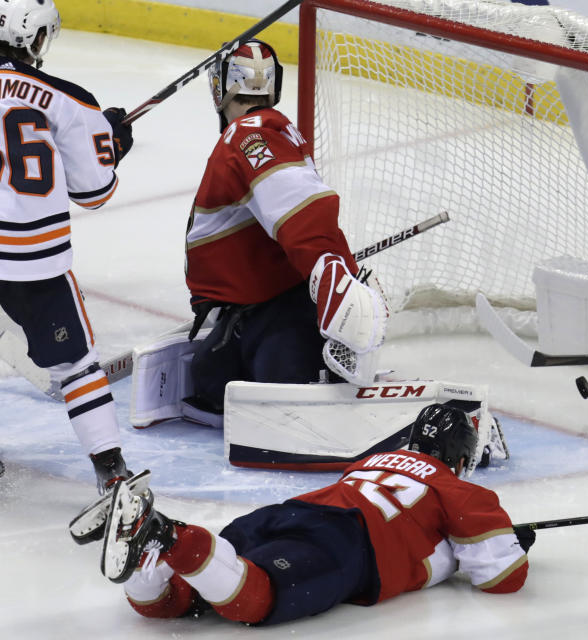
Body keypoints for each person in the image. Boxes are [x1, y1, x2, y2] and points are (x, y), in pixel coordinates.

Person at [76, 403, 530, 625]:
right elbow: (501, 578)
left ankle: (147, 555)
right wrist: (512, 542)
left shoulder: (373, 462)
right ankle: (168, 536)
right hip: (348, 541)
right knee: (255, 600)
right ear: (460, 457)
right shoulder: (458, 488)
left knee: (180, 601)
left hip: (289, 513)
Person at [182, 38, 386, 420]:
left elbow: (299, 210)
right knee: (210, 379)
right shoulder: (269, 129)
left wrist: (330, 271)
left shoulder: (249, 135)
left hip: (281, 311)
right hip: (259, 307)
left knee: (255, 384)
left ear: (223, 85)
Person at [0, 0, 138, 492]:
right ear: (33, 38)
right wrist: (114, 143)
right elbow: (94, 192)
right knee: (75, 366)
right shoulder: (67, 99)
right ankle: (112, 473)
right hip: (32, 259)